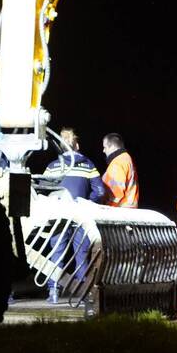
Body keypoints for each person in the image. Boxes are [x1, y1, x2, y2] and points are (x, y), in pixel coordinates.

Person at [43, 129, 104, 303]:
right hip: (81, 215)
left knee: (57, 252)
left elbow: (43, 189)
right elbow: (100, 190)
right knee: (81, 253)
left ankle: (53, 292)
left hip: (59, 215)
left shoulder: (52, 166)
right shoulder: (88, 164)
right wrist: (85, 201)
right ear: (77, 145)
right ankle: (83, 293)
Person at [100, 132, 139, 208]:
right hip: (129, 208)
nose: (103, 150)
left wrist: (107, 209)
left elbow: (116, 194)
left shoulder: (117, 163)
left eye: (105, 147)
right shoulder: (126, 159)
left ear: (113, 147)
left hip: (119, 211)